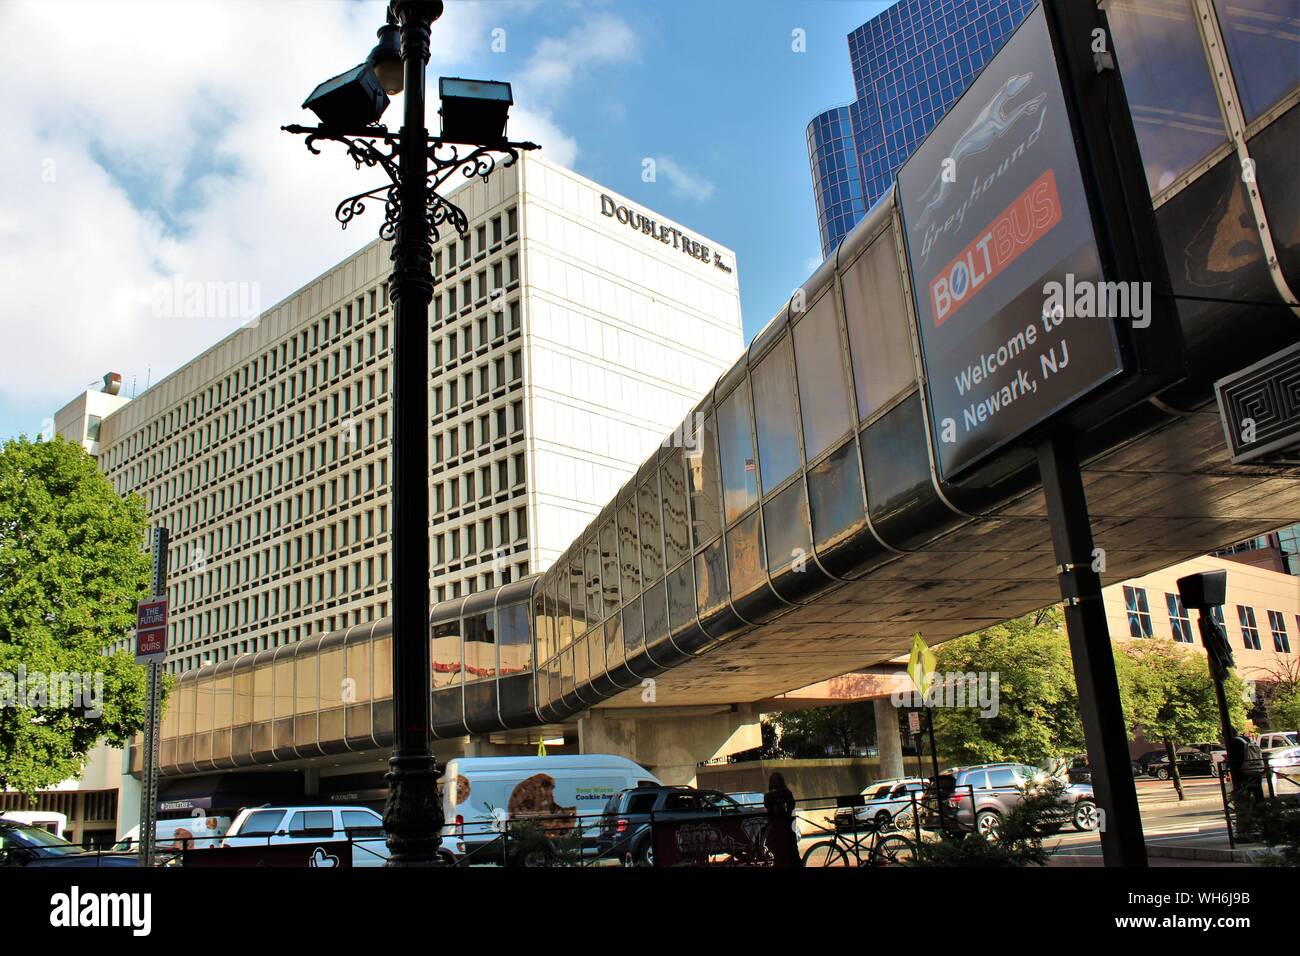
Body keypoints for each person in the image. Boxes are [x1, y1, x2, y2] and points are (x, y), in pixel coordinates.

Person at [763, 772, 801, 867]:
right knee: (793, 854)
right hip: (788, 827)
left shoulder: (768, 796)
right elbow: (792, 807)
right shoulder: (787, 793)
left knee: (778, 856)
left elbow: (768, 810)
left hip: (776, 829)